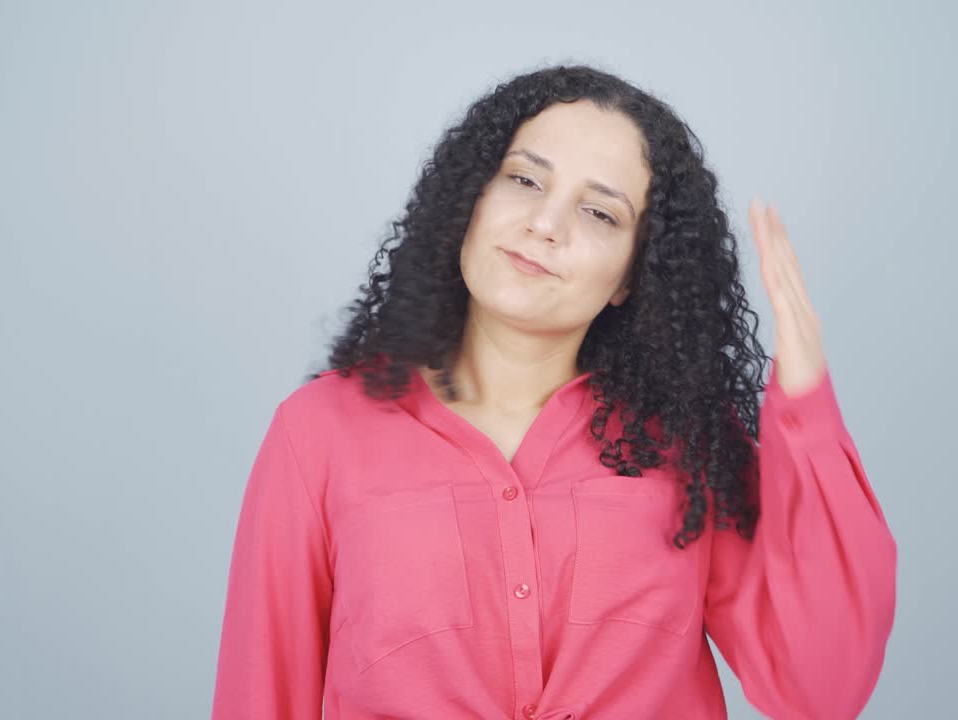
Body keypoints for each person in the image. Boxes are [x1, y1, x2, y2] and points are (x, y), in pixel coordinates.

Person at [210, 64, 897, 720]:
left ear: (631, 277)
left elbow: (822, 684)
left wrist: (806, 406)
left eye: (599, 213)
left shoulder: (687, 443)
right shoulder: (319, 431)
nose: (545, 224)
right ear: (469, 200)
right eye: (524, 180)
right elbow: (263, 692)